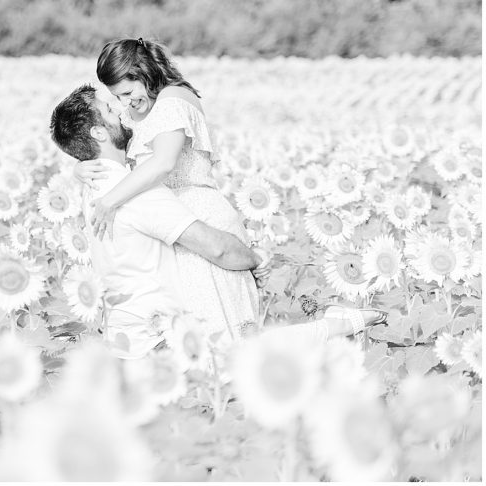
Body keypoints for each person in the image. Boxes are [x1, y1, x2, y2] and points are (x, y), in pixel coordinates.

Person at [51, 82, 386, 355]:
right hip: (156, 339)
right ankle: (337, 326)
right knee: (237, 361)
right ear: (98, 134)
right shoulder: (135, 193)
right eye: (111, 109)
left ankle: (337, 324)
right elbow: (218, 249)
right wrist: (254, 259)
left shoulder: (92, 184)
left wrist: (77, 166)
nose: (122, 110)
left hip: (126, 336)